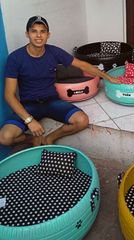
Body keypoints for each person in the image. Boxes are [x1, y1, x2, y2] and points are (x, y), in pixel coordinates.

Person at [0, 15, 120, 148]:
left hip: (52, 101)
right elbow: (9, 95)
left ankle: (50, 138)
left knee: (82, 121)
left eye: (43, 31)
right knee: (4, 138)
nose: (39, 36)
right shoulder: (15, 58)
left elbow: (82, 65)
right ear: (27, 34)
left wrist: (108, 77)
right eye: (34, 31)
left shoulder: (53, 51)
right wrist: (29, 120)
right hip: (29, 106)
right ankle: (31, 140)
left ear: (48, 34)